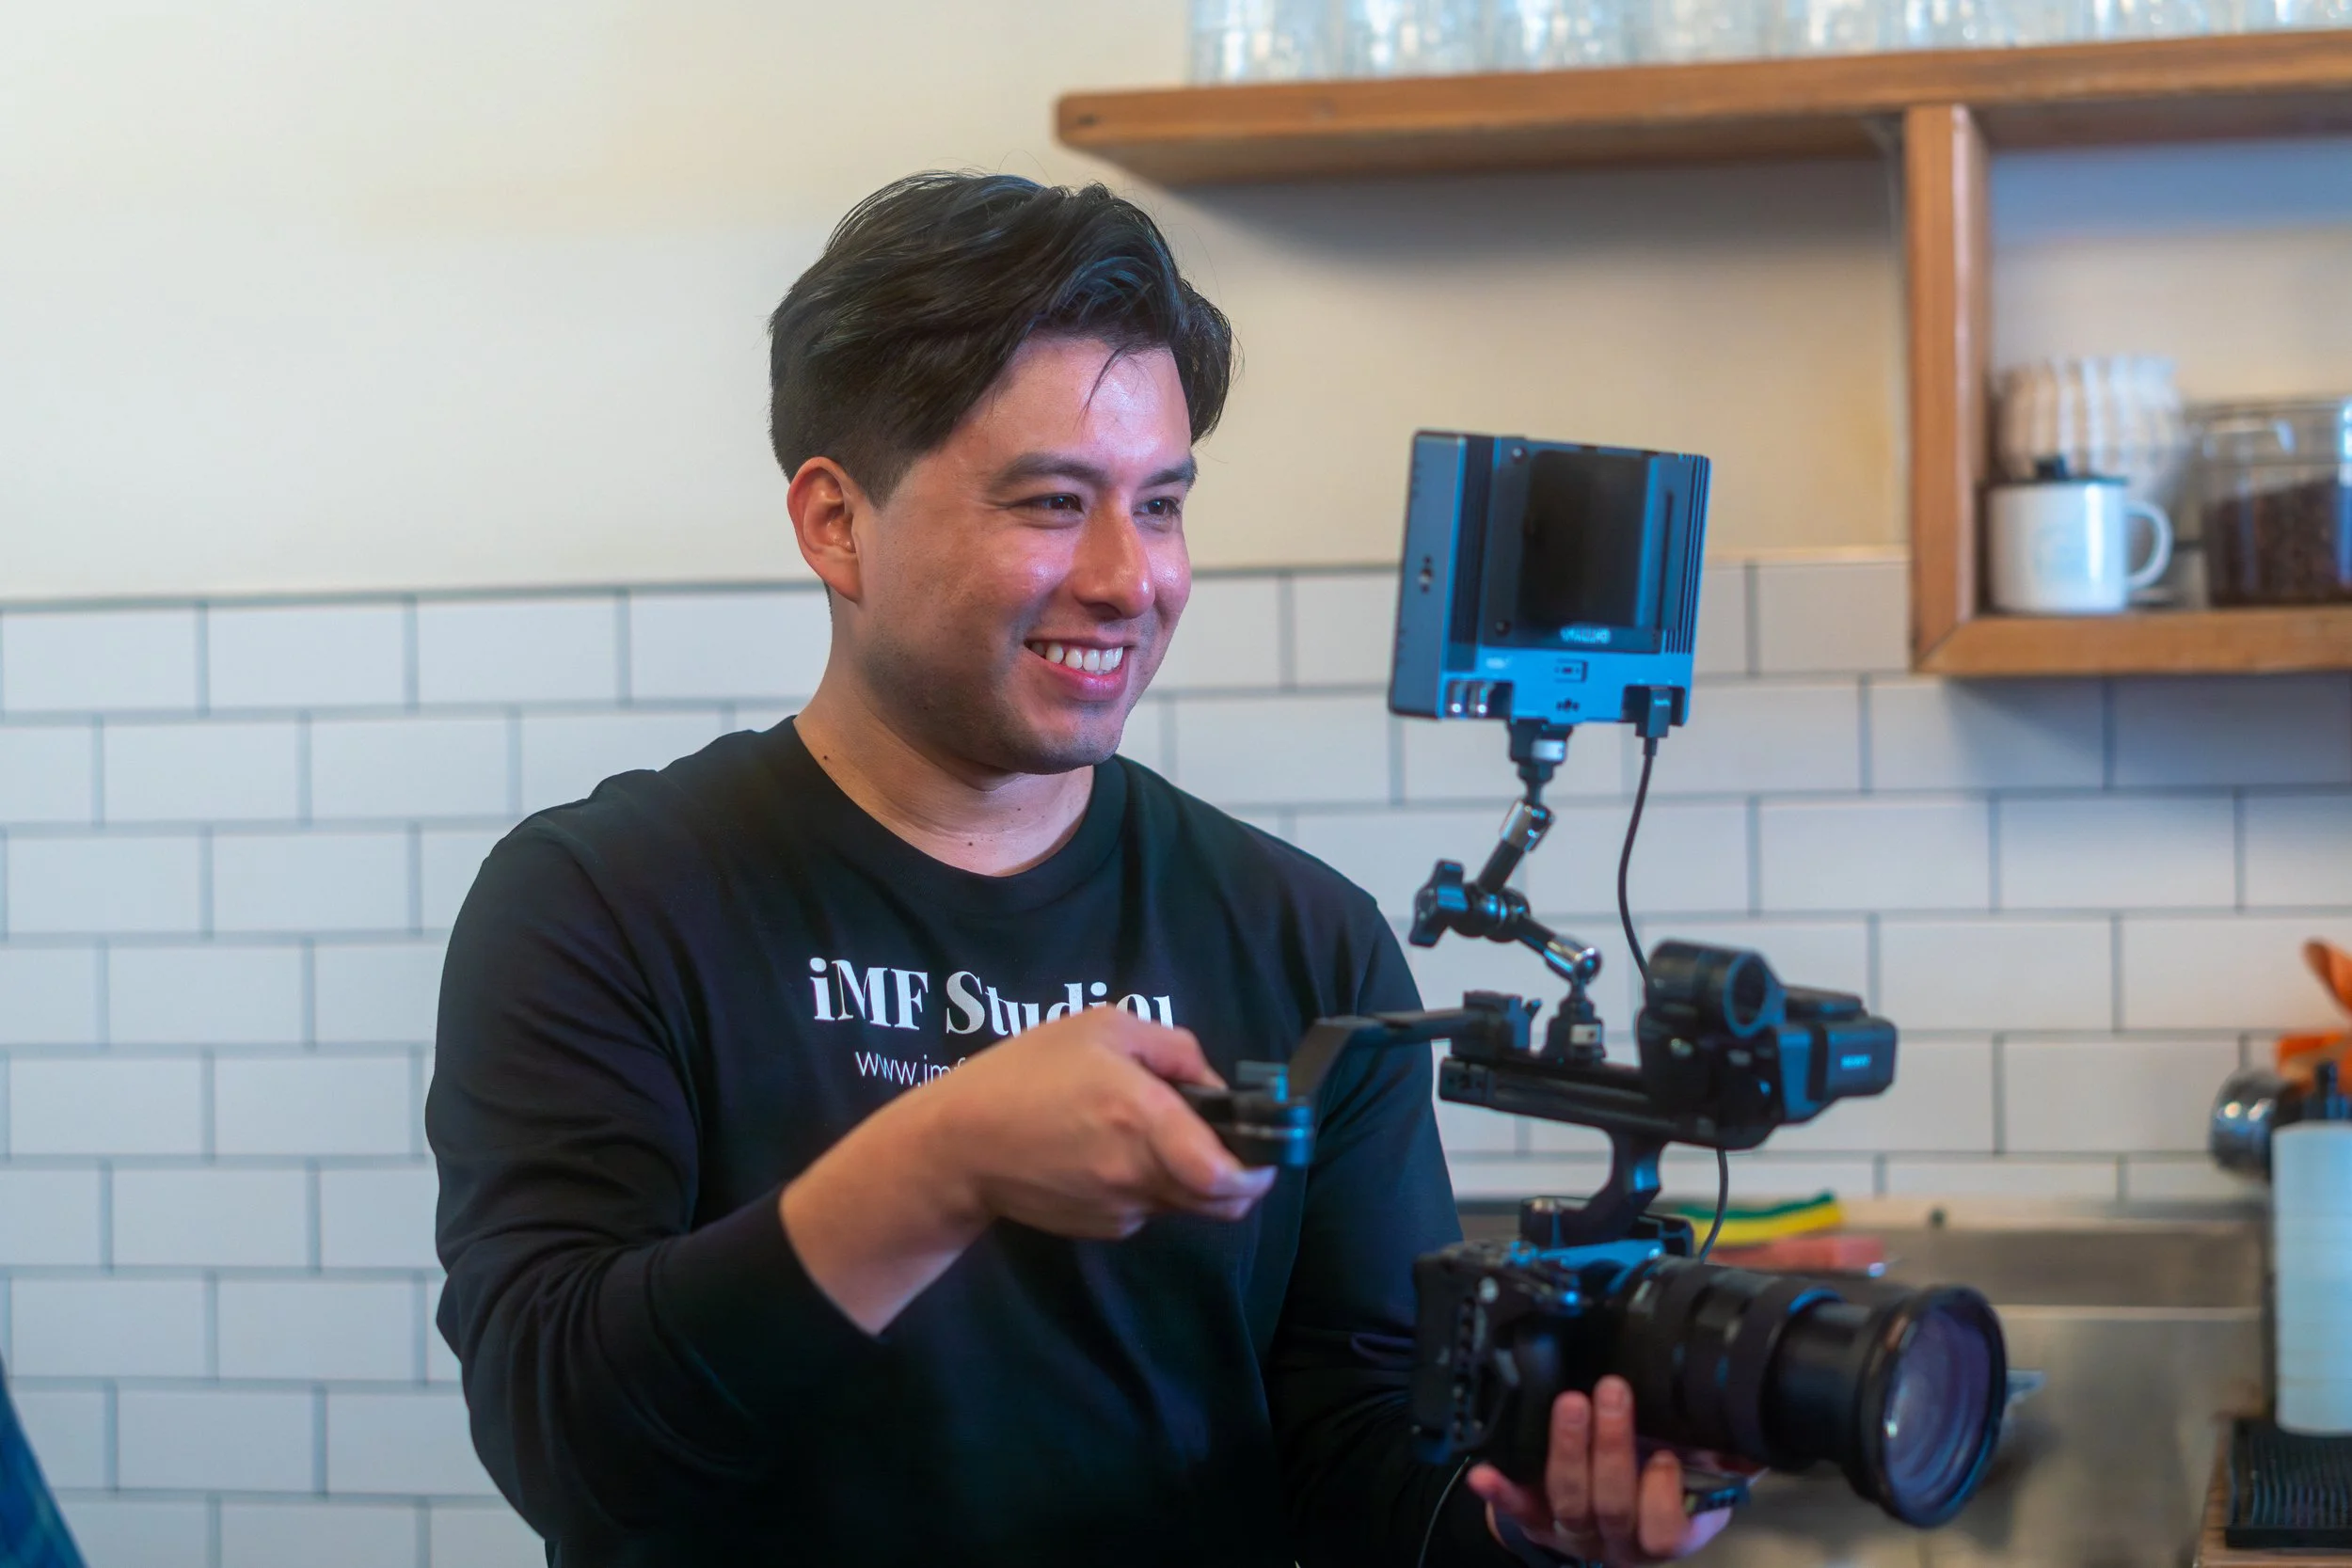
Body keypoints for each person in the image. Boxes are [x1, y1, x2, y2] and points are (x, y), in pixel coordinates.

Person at [428, 171, 1737, 1568]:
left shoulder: (1304, 943)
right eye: (1053, 501)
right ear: (832, 523)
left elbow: (1362, 1455)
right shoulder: (605, 899)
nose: (1131, 578)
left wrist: (1537, 1527)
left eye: (1161, 504)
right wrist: (948, 1159)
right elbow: (570, 1439)